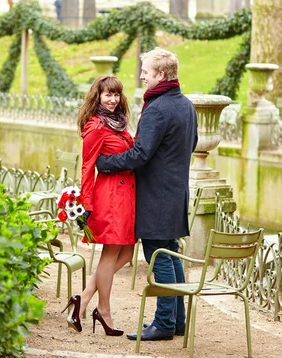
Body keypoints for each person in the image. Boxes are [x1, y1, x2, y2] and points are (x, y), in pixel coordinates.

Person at [96, 47, 198, 341]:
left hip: (155, 196)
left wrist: (107, 164)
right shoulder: (186, 105)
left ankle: (164, 322)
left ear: (160, 75)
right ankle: (177, 321)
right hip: (176, 192)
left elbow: (140, 154)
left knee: (158, 255)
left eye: (146, 71)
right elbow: (192, 143)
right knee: (171, 253)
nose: (141, 76)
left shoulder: (158, 108)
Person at [62, 76, 136, 337]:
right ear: (98, 97)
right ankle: (104, 312)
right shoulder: (96, 126)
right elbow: (87, 166)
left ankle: (83, 297)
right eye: (108, 95)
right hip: (112, 198)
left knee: (126, 254)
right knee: (111, 254)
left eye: (116, 95)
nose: (113, 99)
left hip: (126, 196)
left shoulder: (117, 123)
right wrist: (87, 203)